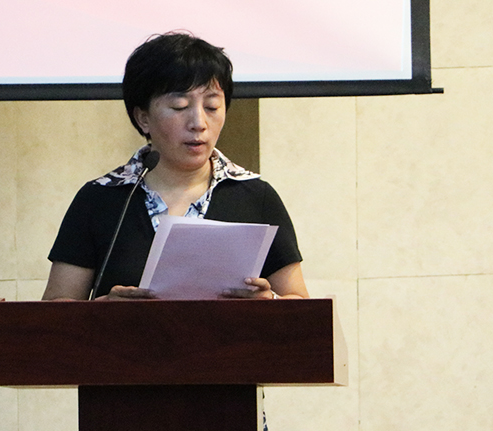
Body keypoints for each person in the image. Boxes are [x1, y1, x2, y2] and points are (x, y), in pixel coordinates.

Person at [42, 32, 308, 301]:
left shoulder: (255, 197)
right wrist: (105, 309)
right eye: (180, 106)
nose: (199, 123)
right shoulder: (100, 199)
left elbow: (301, 306)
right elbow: (53, 311)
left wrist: (269, 303)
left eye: (212, 106)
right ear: (143, 118)